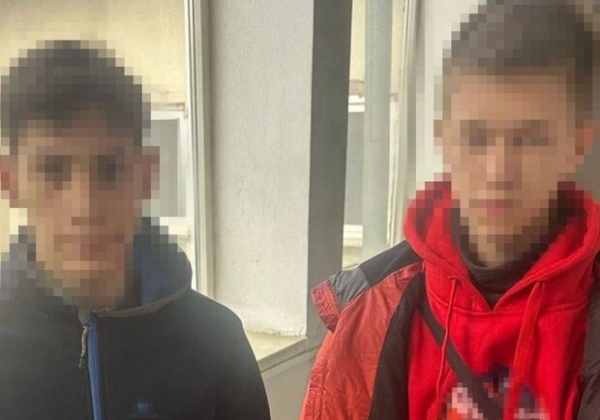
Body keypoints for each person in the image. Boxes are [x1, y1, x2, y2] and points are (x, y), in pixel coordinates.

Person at [300, 0, 600, 419]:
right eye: (476, 137)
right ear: (444, 138)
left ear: (577, 146)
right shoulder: (371, 314)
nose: (498, 171)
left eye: (530, 138)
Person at [0, 40, 270, 420]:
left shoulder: (217, 340)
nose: (85, 206)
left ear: (146, 175)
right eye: (52, 171)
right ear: (10, 181)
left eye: (109, 170)